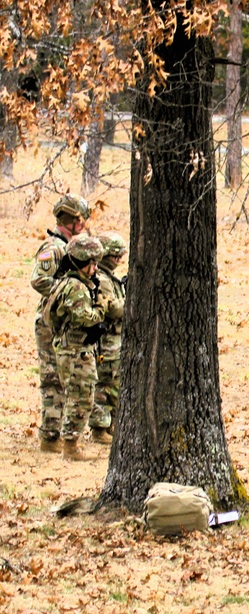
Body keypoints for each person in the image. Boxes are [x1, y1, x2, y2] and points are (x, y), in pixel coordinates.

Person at [30, 194, 91, 453]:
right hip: (49, 323)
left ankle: (59, 432)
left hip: (64, 323)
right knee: (52, 378)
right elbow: (38, 280)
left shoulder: (71, 246)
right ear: (72, 220)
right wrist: (66, 291)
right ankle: (50, 436)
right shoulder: (53, 248)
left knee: (67, 377)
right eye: (81, 220)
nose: (84, 224)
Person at [45, 235, 108, 460]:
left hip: (73, 349)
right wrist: (102, 308)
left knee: (79, 395)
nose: (94, 269)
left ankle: (71, 442)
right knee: (81, 397)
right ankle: (71, 446)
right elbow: (85, 317)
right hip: (75, 351)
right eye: (90, 264)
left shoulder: (69, 282)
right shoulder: (75, 287)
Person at [89, 232, 127, 444]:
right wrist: (131, 303)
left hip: (116, 341)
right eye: (115, 255)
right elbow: (112, 308)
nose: (119, 259)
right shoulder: (101, 280)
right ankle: (99, 428)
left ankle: (110, 423)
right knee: (105, 384)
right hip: (106, 342)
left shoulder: (109, 277)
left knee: (115, 384)